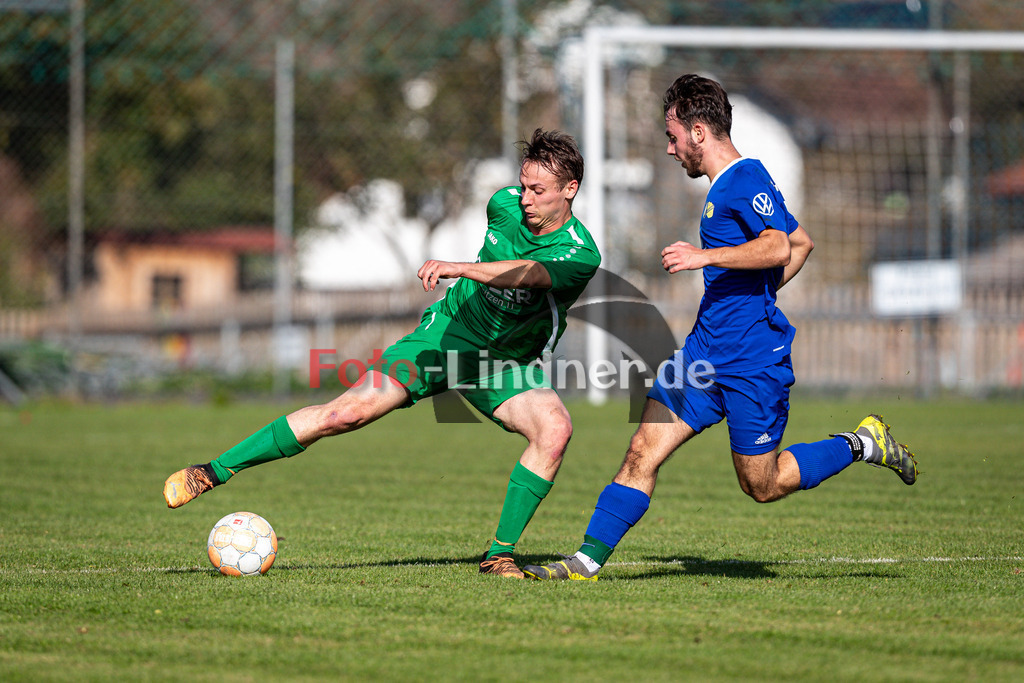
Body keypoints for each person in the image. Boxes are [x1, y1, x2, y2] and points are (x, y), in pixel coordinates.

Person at [523, 74, 917, 582]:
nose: (669, 149)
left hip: (754, 362)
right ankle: (584, 562)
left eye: (673, 137)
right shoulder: (729, 187)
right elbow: (802, 242)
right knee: (643, 449)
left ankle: (863, 442)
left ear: (700, 132)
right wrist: (759, 291)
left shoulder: (744, 179)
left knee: (762, 483)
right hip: (703, 353)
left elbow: (780, 246)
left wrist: (703, 257)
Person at [163, 129, 601, 579]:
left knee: (554, 428)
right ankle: (212, 471)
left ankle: (498, 555)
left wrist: (460, 267)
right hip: (445, 336)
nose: (525, 198)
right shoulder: (503, 204)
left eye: (539, 190)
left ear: (570, 191)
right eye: (523, 185)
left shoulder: (580, 253)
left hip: (503, 364)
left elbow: (527, 274)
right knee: (344, 415)